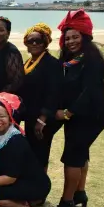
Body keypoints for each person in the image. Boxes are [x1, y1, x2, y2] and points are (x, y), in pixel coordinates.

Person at [45, 9, 104, 207]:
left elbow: (88, 93)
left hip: (90, 114)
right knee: (81, 152)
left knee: (72, 157)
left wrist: (67, 113)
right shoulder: (71, 59)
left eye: (76, 37)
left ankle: (67, 202)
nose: (71, 41)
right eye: (68, 37)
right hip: (80, 114)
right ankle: (80, 192)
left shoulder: (92, 60)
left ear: (85, 36)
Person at [17, 23, 63, 180]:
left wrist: (42, 119)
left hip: (42, 119)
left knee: (41, 153)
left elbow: (54, 93)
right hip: (30, 116)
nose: (35, 44)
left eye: (39, 40)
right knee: (31, 152)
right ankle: (33, 186)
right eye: (31, 41)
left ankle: (40, 191)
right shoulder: (28, 62)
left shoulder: (52, 64)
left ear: (46, 43)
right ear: (26, 44)